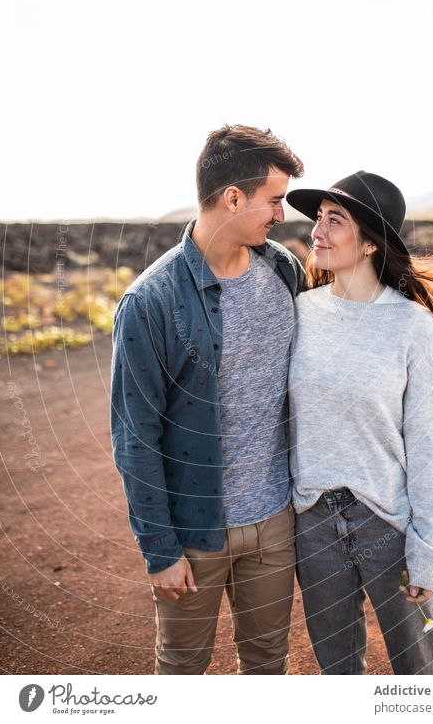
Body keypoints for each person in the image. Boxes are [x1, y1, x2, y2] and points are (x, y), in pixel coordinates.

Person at [110, 124, 306, 674]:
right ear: (233, 197)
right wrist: (160, 550)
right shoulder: (150, 302)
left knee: (268, 663)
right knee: (183, 669)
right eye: (274, 200)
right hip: (192, 532)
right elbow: (134, 438)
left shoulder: (282, 269)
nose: (281, 215)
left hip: (275, 520)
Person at [285, 170, 433, 675]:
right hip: (314, 523)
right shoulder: (300, 313)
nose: (317, 231)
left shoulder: (412, 327)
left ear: (370, 243)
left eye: (335, 220)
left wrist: (427, 547)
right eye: (319, 219)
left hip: (389, 524)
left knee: (419, 671)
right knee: (338, 672)